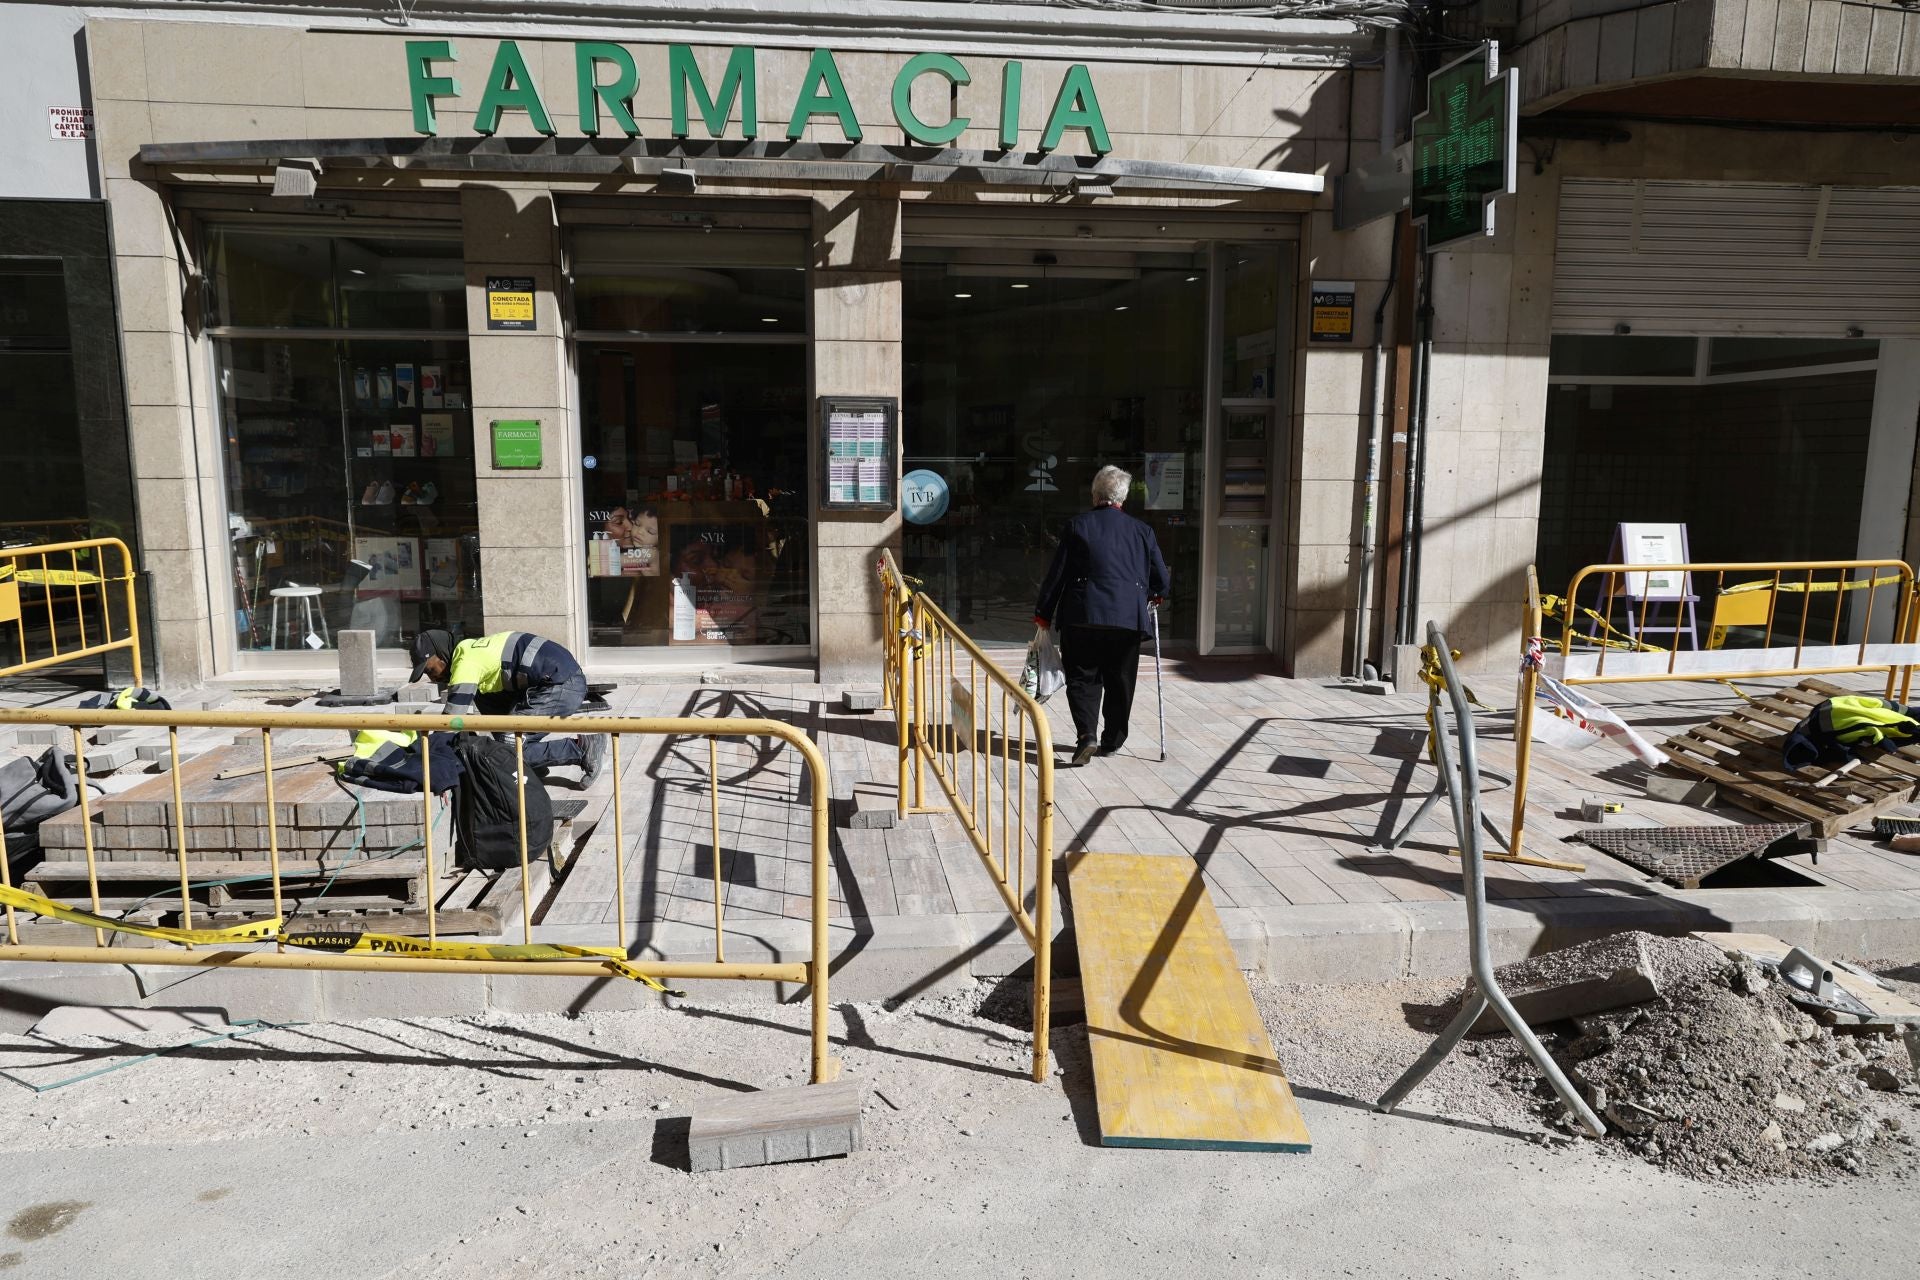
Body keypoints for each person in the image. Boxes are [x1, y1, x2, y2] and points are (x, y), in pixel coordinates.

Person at [1033, 464, 1170, 766]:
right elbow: (1161, 578)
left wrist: (1044, 611)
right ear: (1122, 499)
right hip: (1127, 618)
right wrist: (1155, 595)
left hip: (1083, 614)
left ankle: (1087, 736)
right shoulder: (1142, 531)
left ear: (1095, 495)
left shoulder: (1078, 526)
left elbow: (1058, 574)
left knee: (1083, 677)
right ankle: (1112, 739)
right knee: (1121, 679)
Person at [408, 629, 606, 785]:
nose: (432, 678)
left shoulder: (465, 663)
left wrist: (423, 751)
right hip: (551, 679)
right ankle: (528, 764)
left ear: (441, 654)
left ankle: (581, 749)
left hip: (562, 684)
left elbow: (450, 723)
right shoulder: (471, 649)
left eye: (430, 670)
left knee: (509, 750)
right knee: (486, 700)